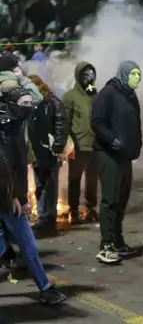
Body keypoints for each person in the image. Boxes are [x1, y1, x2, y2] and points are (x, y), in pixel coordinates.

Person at [0, 84, 66, 305]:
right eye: (24, 104)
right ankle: (45, 287)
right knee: (28, 245)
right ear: (12, 104)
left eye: (30, 103)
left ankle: (45, 287)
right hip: (6, 197)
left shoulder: (16, 125)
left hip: (10, 196)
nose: (29, 107)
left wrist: (22, 197)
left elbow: (17, 167)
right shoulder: (6, 130)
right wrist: (14, 196)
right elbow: (5, 169)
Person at [92, 61, 143, 265]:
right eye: (133, 74)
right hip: (108, 154)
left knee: (121, 199)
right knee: (110, 199)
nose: (137, 77)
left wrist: (136, 145)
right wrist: (112, 139)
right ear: (124, 74)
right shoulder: (108, 93)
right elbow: (97, 121)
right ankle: (106, 244)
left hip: (125, 155)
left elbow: (136, 123)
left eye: (139, 74)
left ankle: (118, 241)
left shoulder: (131, 96)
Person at [27, 75, 68, 230]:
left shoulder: (53, 102)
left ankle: (48, 219)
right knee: (40, 184)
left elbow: (61, 125)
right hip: (37, 151)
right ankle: (43, 216)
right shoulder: (34, 103)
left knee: (48, 185)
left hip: (50, 151)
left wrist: (57, 147)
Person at [62, 61, 99, 224]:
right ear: (78, 76)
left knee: (92, 179)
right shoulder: (70, 96)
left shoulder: (96, 95)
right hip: (77, 145)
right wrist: (68, 144)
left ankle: (91, 208)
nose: (89, 77)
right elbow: (65, 122)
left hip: (95, 145)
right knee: (75, 179)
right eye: (85, 74)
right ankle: (74, 209)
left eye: (91, 74)